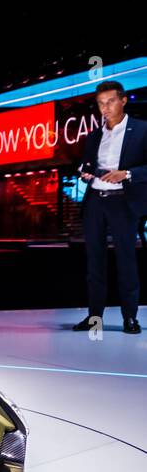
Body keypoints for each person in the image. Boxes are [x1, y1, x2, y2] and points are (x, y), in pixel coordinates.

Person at [72, 80, 145, 335]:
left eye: (110, 101)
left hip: (123, 202)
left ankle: (130, 318)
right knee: (95, 263)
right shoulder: (94, 135)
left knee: (126, 260)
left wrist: (126, 174)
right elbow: (87, 164)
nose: (105, 107)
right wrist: (86, 172)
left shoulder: (142, 129)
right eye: (101, 103)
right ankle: (95, 318)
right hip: (95, 201)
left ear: (123, 100)